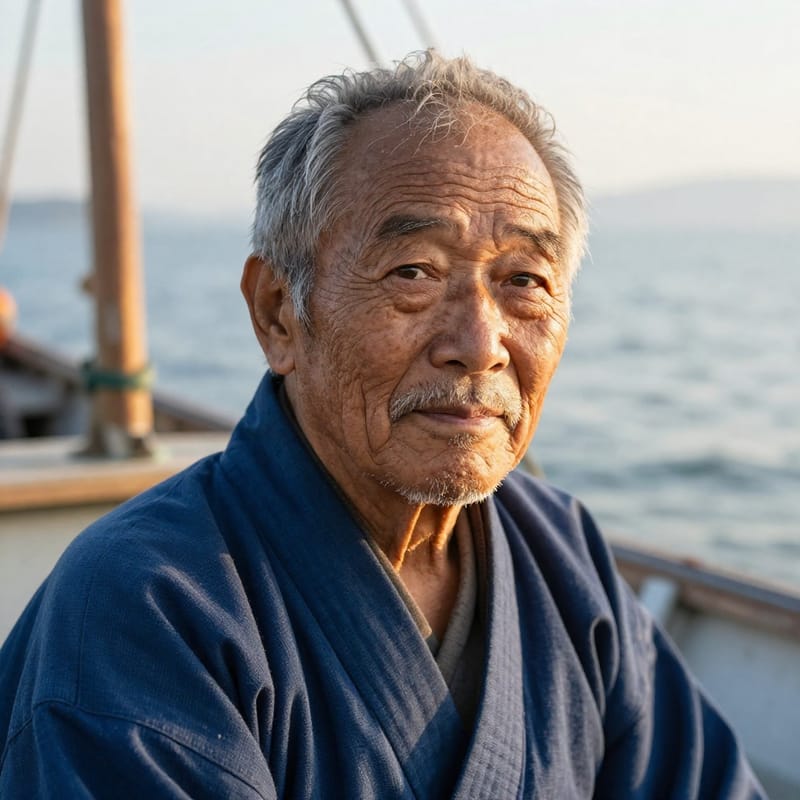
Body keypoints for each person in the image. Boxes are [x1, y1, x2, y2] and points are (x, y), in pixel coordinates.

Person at [0, 51, 765, 798]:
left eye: (524, 282)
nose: (478, 344)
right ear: (278, 313)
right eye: (414, 273)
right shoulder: (145, 609)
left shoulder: (561, 553)